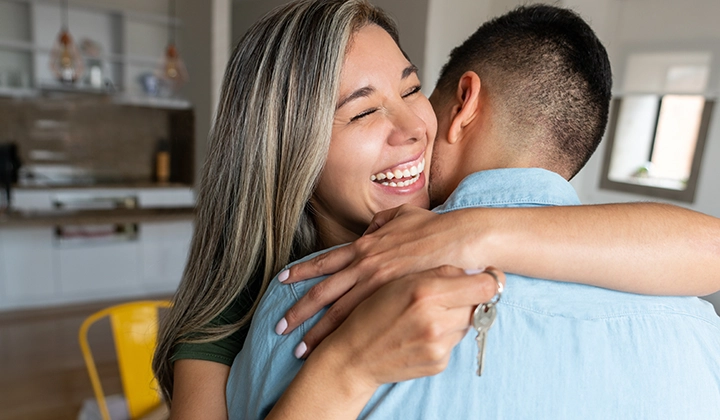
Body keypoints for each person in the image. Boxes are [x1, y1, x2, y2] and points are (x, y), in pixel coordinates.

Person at [153, 1, 720, 418]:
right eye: (361, 113)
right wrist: (349, 365)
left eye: (411, 89)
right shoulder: (255, 315)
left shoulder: (485, 243)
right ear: (284, 151)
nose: (413, 129)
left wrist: (471, 231)